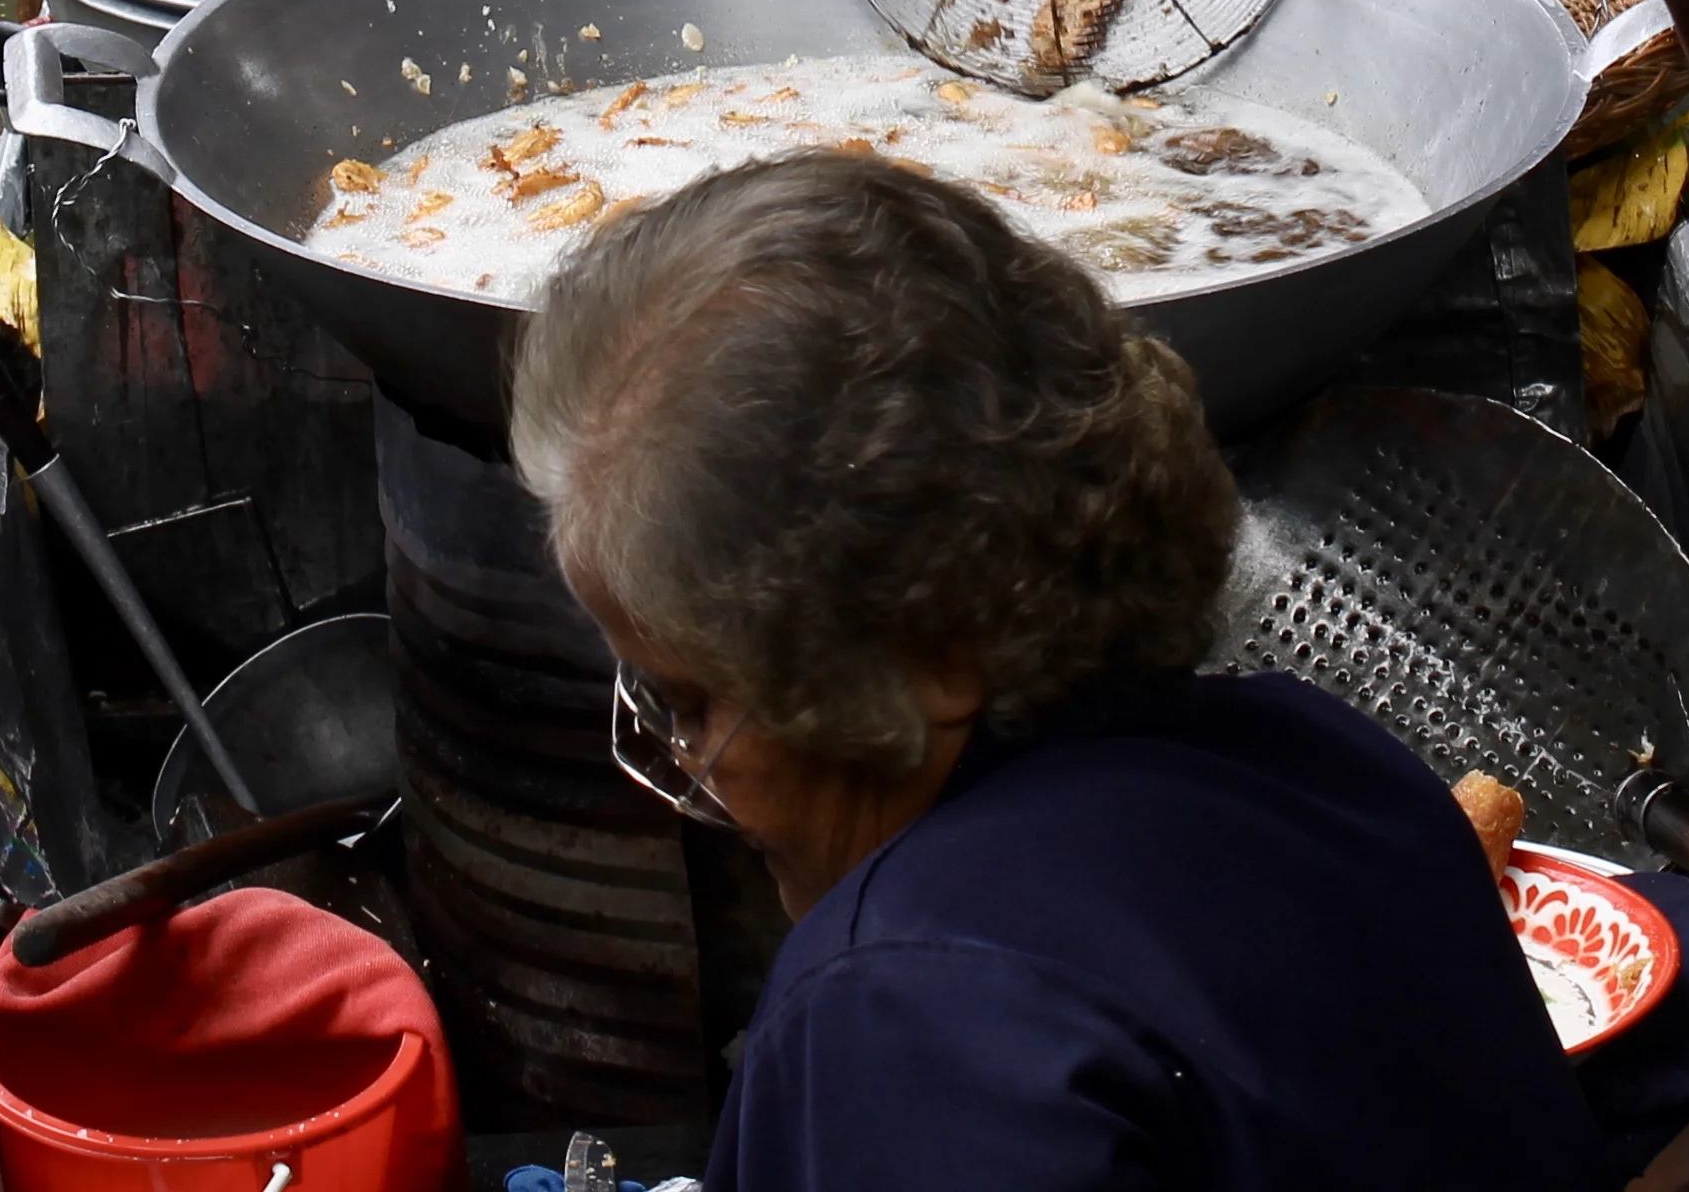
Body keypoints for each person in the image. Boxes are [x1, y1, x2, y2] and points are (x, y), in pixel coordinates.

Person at [505, 152, 1621, 1191]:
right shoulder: (1326, 762)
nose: (694, 764)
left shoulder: (908, 1013)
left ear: (929, 653)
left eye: (694, 702)